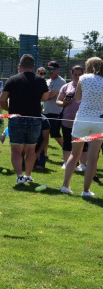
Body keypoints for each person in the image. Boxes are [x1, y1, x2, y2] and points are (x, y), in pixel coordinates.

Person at [0, 54, 52, 185]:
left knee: (16, 150)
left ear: (20, 66)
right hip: (34, 119)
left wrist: (8, 109)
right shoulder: (40, 80)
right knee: (31, 150)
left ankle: (19, 176)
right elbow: (45, 97)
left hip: (16, 118)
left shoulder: (12, 79)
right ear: (33, 67)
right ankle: (28, 175)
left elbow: (2, 99)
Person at [61, 57, 103, 197]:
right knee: (92, 157)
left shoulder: (83, 78)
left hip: (82, 119)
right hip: (99, 122)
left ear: (89, 66)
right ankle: (85, 191)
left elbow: (77, 99)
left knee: (74, 154)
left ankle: (65, 186)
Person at [56, 65, 86, 168]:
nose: (77, 77)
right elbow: (58, 101)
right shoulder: (66, 86)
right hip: (68, 119)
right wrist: (64, 103)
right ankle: (66, 162)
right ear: (71, 74)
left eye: (80, 74)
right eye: (75, 74)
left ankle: (82, 164)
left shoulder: (87, 86)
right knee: (67, 141)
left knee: (84, 142)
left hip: (83, 119)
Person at [42, 61, 65, 152]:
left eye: (52, 69)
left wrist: (40, 96)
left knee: (55, 134)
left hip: (55, 111)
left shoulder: (60, 81)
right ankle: (44, 154)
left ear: (57, 70)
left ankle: (69, 151)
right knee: (44, 134)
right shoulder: (47, 81)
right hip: (46, 110)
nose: (49, 71)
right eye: (48, 69)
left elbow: (50, 95)